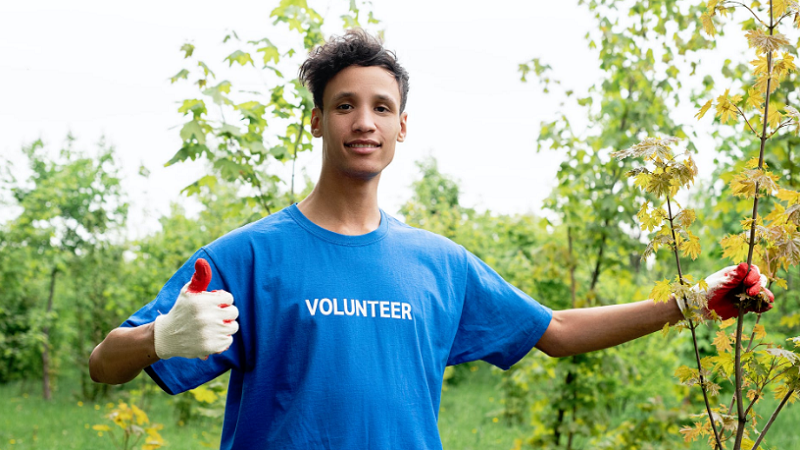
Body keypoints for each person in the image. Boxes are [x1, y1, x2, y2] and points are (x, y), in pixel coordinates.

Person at [89, 29, 774, 449]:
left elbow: (557, 329)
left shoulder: (437, 265)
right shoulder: (247, 257)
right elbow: (102, 363)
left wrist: (694, 301)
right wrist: (158, 338)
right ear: (317, 124)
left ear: (402, 128)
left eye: (382, 107)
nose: (365, 121)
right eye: (345, 105)